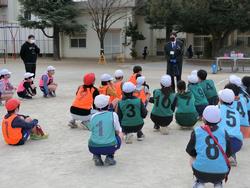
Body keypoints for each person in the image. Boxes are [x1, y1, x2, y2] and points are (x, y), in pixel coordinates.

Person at [186, 106, 231, 188]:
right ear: (219, 120)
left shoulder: (197, 131)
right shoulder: (224, 132)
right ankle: (218, 184)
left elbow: (190, 150)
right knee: (222, 159)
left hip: (200, 172)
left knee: (192, 157)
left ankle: (200, 182)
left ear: (203, 119)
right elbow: (228, 153)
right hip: (221, 173)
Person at [88, 95, 122, 166]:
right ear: (108, 105)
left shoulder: (93, 116)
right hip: (110, 147)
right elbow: (117, 131)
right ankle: (110, 157)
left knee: (94, 136)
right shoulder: (113, 115)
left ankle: (96, 156)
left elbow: (91, 129)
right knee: (119, 134)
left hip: (93, 147)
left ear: (96, 106)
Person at [218, 89, 243, 166]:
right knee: (231, 133)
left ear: (220, 99)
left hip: (224, 143)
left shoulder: (218, 109)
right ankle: (231, 155)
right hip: (238, 143)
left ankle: (225, 156)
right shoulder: (236, 112)